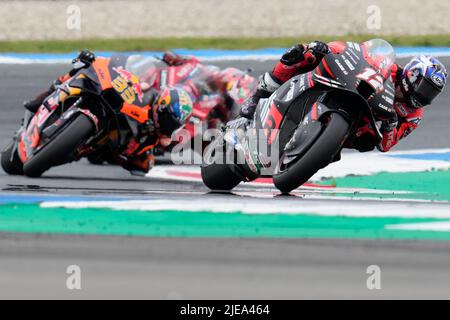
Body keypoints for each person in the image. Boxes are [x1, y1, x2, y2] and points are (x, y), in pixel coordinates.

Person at [240, 40, 448, 152]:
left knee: (366, 143)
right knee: (304, 53)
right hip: (348, 87)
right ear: (412, 74)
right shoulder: (390, 68)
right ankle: (259, 95)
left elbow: (385, 146)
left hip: (356, 126)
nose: (424, 96)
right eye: (424, 87)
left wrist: (390, 126)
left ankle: (315, 150)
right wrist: (327, 49)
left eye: (431, 93)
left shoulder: (413, 115)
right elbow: (356, 53)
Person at [23, 50, 194, 175]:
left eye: (172, 123)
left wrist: (141, 153)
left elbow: (154, 152)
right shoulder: (150, 95)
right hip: (111, 98)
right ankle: (45, 95)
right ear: (161, 105)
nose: (167, 124)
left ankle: (65, 150)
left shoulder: (161, 133)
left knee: (142, 166)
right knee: (81, 67)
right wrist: (96, 60)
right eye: (167, 118)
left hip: (110, 143)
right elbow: (130, 72)